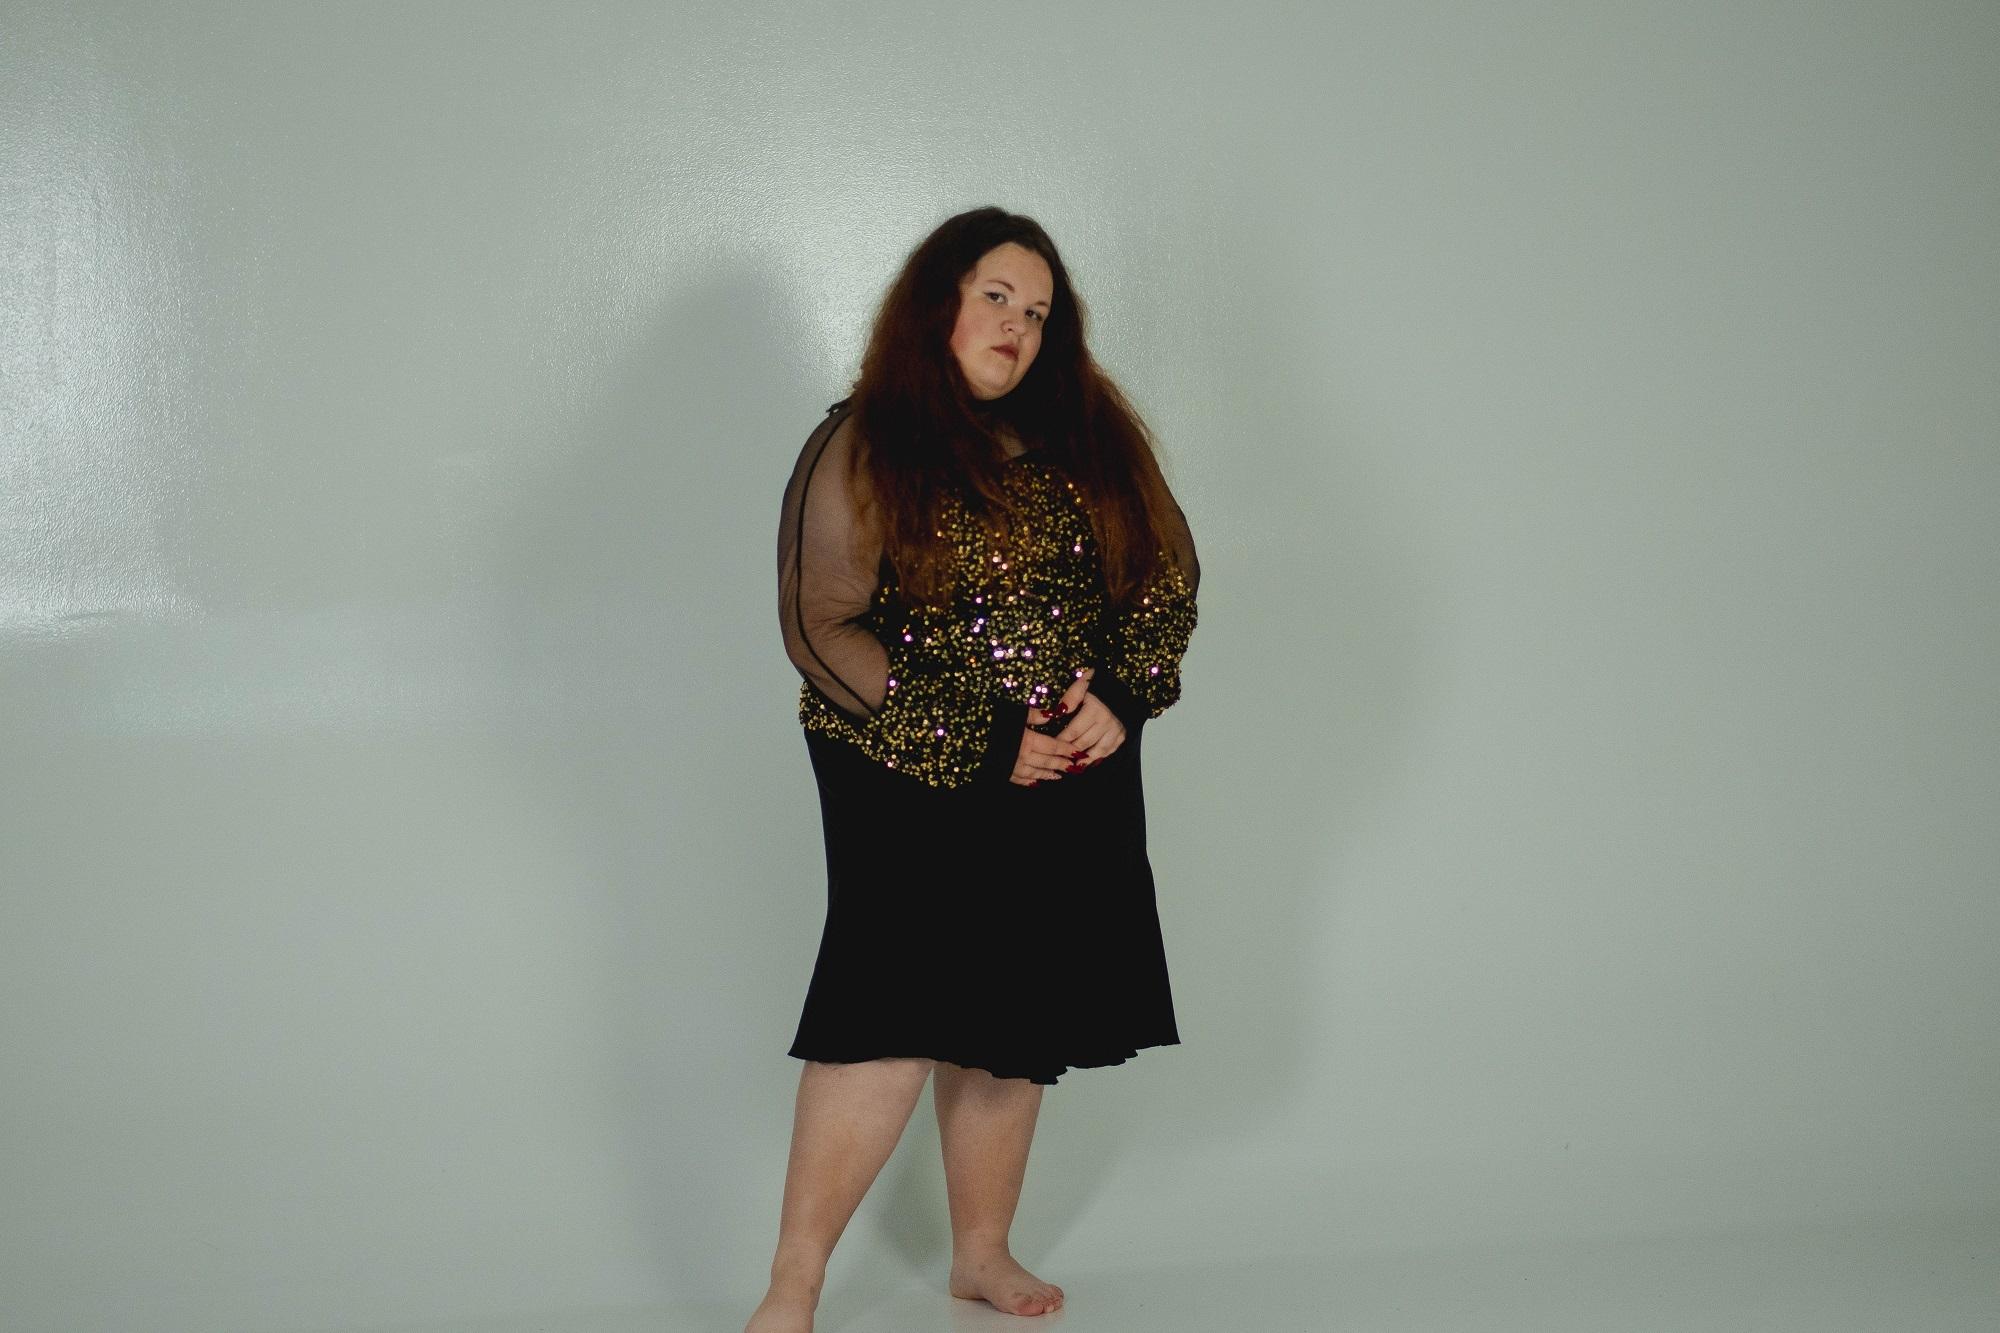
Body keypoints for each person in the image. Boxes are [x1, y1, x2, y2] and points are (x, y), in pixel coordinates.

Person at [748, 206, 1200, 1332]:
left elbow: (1167, 577)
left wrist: (1122, 694)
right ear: (936, 303)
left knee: (1015, 1018)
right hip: (908, 763)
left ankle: (980, 1254)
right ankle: (793, 1285)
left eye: (1037, 313)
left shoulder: (1089, 436)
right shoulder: (866, 438)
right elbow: (818, 626)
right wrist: (980, 738)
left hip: (1065, 767)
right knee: (887, 1013)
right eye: (996, 297)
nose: (1017, 326)